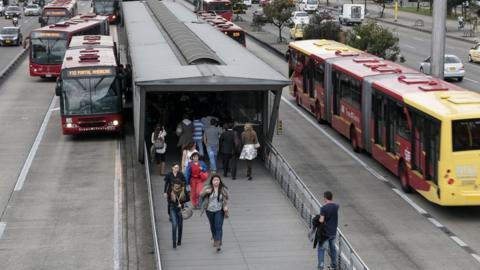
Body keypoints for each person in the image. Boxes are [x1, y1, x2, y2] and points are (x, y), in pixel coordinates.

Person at [200, 174, 229, 252]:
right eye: (215, 180)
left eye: (218, 180)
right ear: (212, 181)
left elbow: (226, 197)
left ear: (220, 181)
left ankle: (218, 243)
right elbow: (200, 195)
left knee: (218, 226)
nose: (216, 182)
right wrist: (206, 192)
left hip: (219, 210)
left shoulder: (222, 189)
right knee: (213, 226)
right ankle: (214, 237)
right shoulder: (207, 188)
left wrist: (225, 206)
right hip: (209, 210)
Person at [317, 191, 339, 270]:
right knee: (332, 248)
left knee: (321, 248)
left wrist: (318, 219)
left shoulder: (323, 208)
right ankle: (334, 264)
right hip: (333, 232)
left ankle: (321, 266)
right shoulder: (336, 206)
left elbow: (321, 220)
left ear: (325, 198)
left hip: (325, 233)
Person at [166, 179, 188, 249]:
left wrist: (181, 204)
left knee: (180, 225)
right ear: (173, 185)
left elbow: (188, 198)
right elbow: (168, 200)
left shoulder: (183, 190)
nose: (176, 187)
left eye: (178, 186)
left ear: (180, 185)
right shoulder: (170, 189)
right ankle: (174, 242)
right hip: (173, 208)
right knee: (174, 224)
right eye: (175, 186)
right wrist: (176, 204)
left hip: (180, 209)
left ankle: (179, 240)